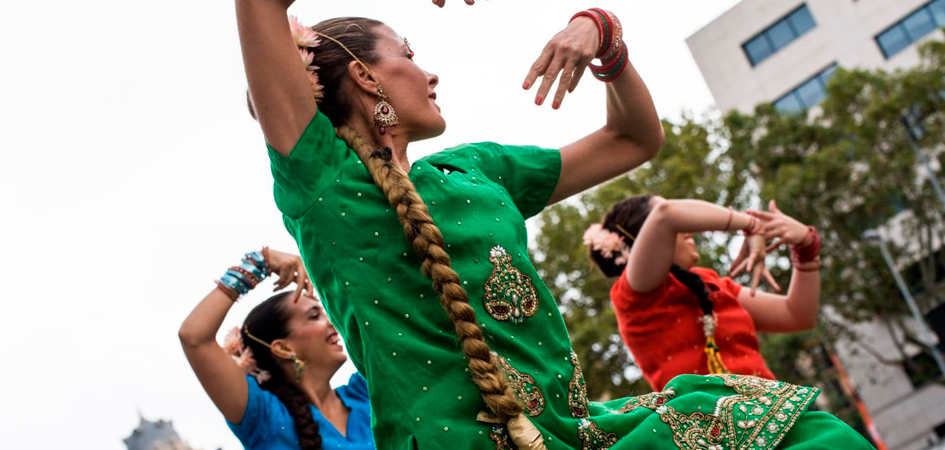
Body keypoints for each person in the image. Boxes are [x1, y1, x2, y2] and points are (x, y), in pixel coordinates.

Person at [234, 1, 872, 448]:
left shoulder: (473, 170)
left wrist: (602, 35)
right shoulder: (320, 186)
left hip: (574, 433)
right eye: (409, 52)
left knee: (813, 436)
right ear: (365, 74)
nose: (429, 72)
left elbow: (633, 140)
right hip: (456, 447)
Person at [586, 196, 822, 391]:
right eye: (683, 223)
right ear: (643, 240)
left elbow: (798, 314)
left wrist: (806, 248)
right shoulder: (634, 295)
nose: (690, 228)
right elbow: (668, 215)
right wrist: (751, 224)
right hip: (706, 432)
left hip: (770, 413)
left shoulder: (709, 281)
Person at [179, 248, 374, 450]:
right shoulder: (263, 418)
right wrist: (261, 262)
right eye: (314, 316)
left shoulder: (366, 393)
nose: (332, 323)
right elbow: (194, 337)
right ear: (282, 348)